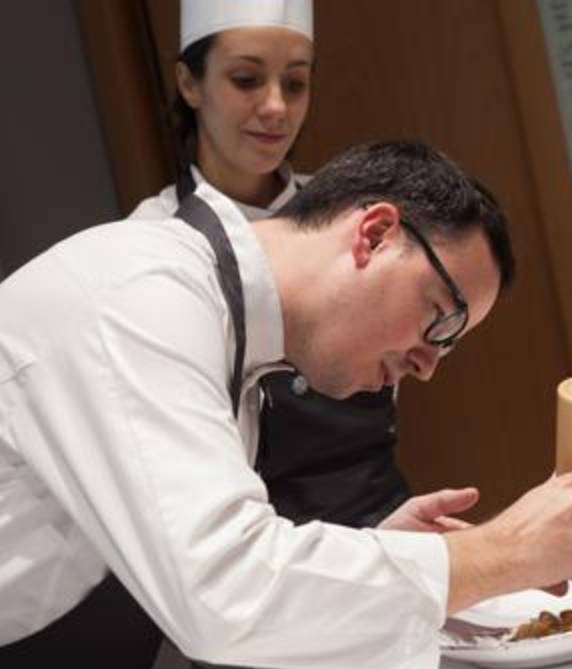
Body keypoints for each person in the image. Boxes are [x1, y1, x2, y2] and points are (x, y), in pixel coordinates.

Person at [0, 141, 572, 669]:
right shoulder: (138, 298)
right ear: (375, 233)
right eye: (439, 315)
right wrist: (504, 553)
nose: (429, 362)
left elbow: (201, 572)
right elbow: (223, 594)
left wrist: (379, 560)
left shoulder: (234, 340)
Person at [130, 0, 413, 534]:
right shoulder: (154, 243)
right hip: (266, 559)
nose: (277, 107)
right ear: (189, 83)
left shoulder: (355, 219)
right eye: (245, 79)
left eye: (296, 83)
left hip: (394, 525)